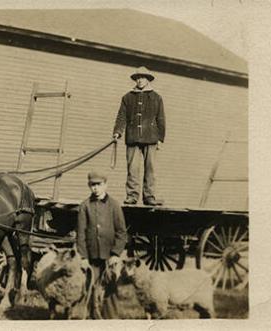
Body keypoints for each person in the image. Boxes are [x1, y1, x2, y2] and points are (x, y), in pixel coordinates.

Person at [76, 171, 127, 319]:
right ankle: (92, 316)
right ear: (89, 186)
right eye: (93, 185)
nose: (96, 188)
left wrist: (116, 254)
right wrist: (83, 257)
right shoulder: (85, 206)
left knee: (110, 290)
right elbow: (81, 234)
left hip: (110, 257)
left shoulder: (114, 205)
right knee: (91, 287)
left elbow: (121, 232)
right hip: (92, 257)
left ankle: (109, 318)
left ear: (105, 185)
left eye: (99, 184)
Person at [113, 66, 166, 206]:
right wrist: (117, 132)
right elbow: (121, 116)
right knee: (132, 169)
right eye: (137, 78)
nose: (140, 80)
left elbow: (161, 118)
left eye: (143, 77)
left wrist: (160, 138)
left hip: (151, 138)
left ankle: (149, 196)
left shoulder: (156, 98)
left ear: (148, 79)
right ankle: (132, 196)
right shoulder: (127, 97)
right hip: (132, 138)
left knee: (151, 168)